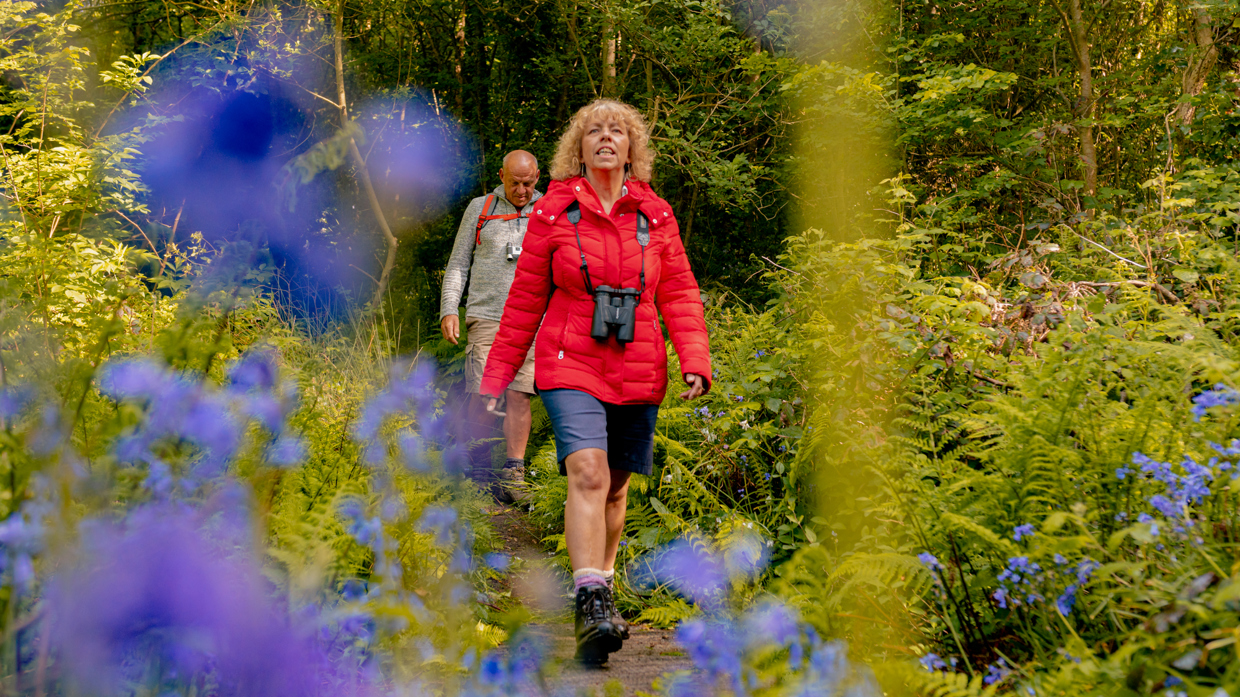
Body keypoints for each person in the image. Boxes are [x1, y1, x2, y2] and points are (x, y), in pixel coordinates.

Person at [479, 100, 711, 665]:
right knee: (587, 470)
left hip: (639, 363)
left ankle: (602, 590)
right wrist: (497, 375)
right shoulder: (552, 214)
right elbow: (526, 299)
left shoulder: (655, 216)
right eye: (594, 132)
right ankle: (589, 599)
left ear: (632, 150)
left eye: (618, 132)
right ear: (577, 150)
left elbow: (678, 291)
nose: (606, 138)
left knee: (615, 488)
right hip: (570, 360)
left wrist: (695, 358)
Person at [439, 150, 542, 502]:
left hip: (532, 321)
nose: (522, 190)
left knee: (519, 394)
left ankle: (513, 474)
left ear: (538, 178)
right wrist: (449, 308)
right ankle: (476, 468)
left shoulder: (549, 213)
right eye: (514, 182)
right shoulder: (480, 209)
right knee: (484, 394)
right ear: (501, 175)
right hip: (486, 317)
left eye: (528, 183)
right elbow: (458, 264)